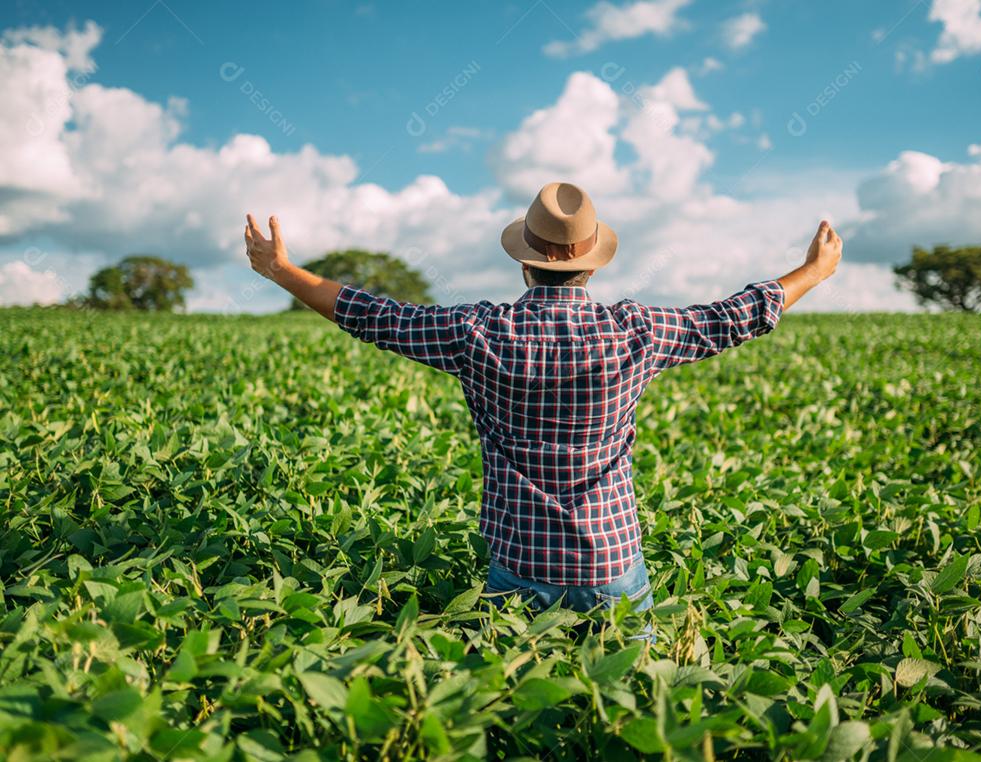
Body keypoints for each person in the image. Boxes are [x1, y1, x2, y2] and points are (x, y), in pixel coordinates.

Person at [243, 181, 842, 635]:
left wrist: (282, 270)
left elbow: (372, 315)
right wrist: (812, 272)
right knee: (624, 708)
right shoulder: (635, 331)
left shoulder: (477, 332)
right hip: (610, 562)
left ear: (525, 260)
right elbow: (732, 316)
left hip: (517, 566)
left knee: (517, 716)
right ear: (590, 262)